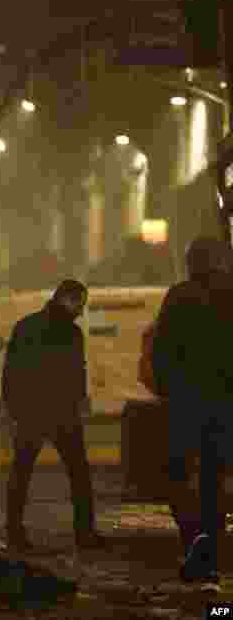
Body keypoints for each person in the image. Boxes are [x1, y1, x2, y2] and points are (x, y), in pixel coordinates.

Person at [152, 236, 233, 584]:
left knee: (175, 474)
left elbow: (162, 350)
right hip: (225, 401)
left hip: (186, 401)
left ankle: (194, 537)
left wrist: (167, 390)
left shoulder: (179, 296)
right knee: (215, 477)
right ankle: (211, 547)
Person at [3, 279, 100, 551]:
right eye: (79, 304)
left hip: (31, 413)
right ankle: (85, 533)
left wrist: (13, 408)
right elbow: (76, 373)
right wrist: (78, 403)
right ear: (67, 300)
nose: (81, 311)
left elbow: (11, 372)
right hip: (61, 414)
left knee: (21, 474)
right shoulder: (72, 334)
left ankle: (15, 533)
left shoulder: (27, 326)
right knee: (79, 475)